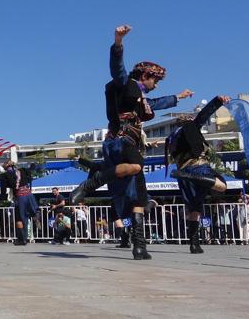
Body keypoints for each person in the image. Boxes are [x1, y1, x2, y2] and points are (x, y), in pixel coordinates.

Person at [70, 25, 192, 260]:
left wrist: (180, 97)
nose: (155, 85)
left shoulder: (141, 99)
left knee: (139, 197)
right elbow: (117, 68)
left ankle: (139, 246)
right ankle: (86, 186)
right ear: (145, 76)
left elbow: (156, 104)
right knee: (136, 167)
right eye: (155, 80)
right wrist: (118, 42)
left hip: (131, 144)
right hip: (119, 140)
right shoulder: (125, 83)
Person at [165, 95, 231, 253]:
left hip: (182, 171)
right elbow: (203, 116)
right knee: (222, 186)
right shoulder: (190, 127)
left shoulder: (172, 138)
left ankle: (194, 244)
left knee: (194, 208)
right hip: (197, 168)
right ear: (186, 121)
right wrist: (217, 101)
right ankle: (195, 243)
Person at [0, 161, 38, 245]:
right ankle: (35, 215)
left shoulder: (5, 175)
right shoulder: (23, 170)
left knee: (20, 219)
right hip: (29, 195)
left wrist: (1, 199)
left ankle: (22, 239)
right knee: (28, 215)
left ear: (5, 168)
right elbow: (33, 167)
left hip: (20, 197)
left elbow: (2, 188)